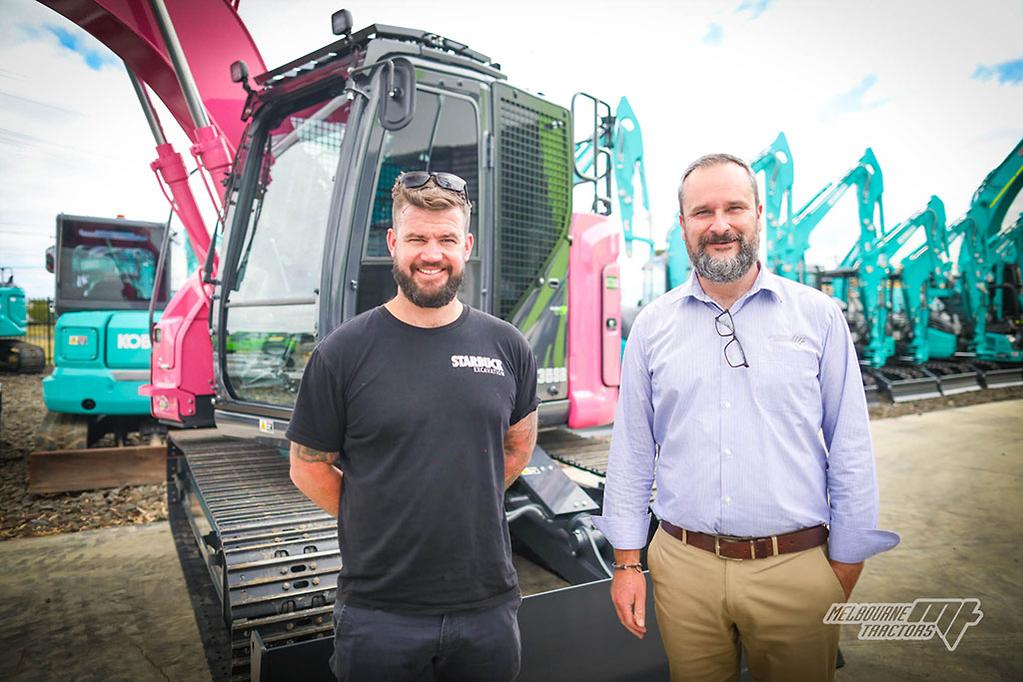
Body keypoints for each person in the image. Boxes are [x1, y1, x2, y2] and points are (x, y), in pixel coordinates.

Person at [594, 153, 899, 681]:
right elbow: (632, 453)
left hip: (796, 565)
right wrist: (626, 563)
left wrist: (843, 564)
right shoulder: (651, 327)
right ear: (683, 224)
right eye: (702, 211)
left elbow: (849, 446)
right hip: (682, 569)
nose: (719, 225)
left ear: (759, 214)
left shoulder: (819, 316)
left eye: (734, 207)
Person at [286, 171, 539, 682]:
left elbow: (517, 448)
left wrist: (464, 499)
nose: (432, 253)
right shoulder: (342, 353)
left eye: (446, 239)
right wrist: (378, 516)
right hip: (379, 614)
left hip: (486, 608)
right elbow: (307, 467)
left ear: (466, 245)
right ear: (393, 243)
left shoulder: (507, 345)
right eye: (418, 238)